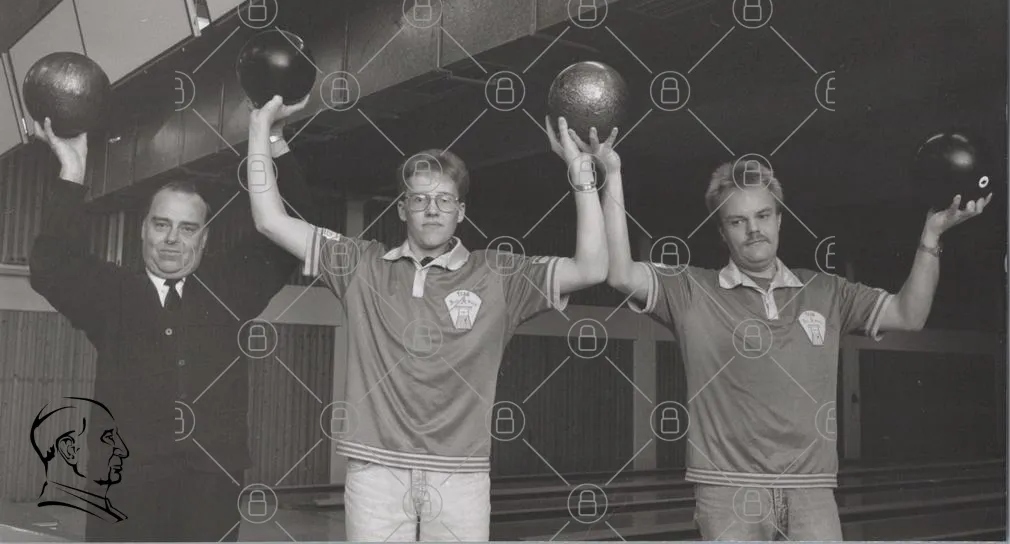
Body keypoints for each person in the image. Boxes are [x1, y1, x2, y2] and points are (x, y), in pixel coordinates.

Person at [589, 134, 991, 539]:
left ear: (779, 220)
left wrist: (931, 237)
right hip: (728, 491)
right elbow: (620, 274)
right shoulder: (691, 290)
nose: (753, 230)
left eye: (763, 216)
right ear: (722, 232)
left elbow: (909, 315)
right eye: (737, 221)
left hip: (812, 491)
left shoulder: (828, 291)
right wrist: (613, 175)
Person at [245, 96, 608, 541]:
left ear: (460, 211)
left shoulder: (499, 275)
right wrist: (263, 130)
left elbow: (592, 269)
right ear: (402, 208)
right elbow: (269, 221)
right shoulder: (360, 264)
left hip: (461, 475)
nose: (432, 209)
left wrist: (582, 176)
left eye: (443, 199)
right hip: (376, 472)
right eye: (419, 199)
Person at [28, 108, 314, 542]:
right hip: (124, 487)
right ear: (143, 230)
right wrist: (72, 170)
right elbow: (50, 266)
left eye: (187, 228)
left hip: (211, 490)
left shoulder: (231, 287)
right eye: (161, 225)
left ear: (204, 238)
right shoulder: (110, 294)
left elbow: (296, 227)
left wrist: (273, 139)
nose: (172, 239)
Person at [31, 397, 129, 522]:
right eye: (109, 437)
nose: (123, 451)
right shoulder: (70, 521)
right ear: (69, 450)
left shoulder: (105, 514)